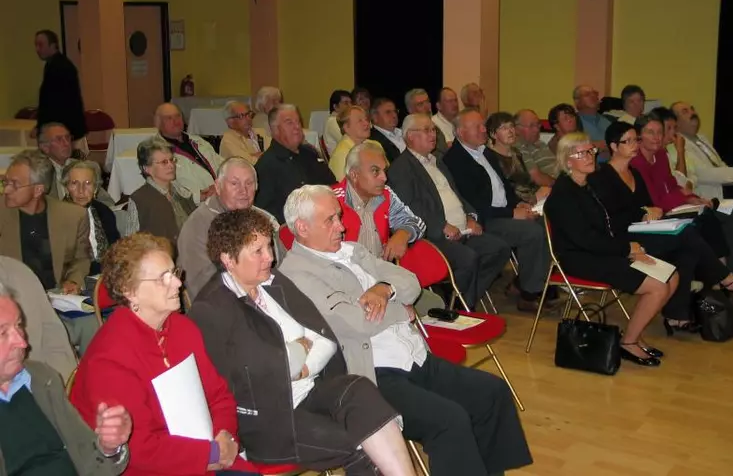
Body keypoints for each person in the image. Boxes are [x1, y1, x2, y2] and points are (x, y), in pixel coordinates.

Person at [279, 185, 533, 476]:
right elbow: (356, 323)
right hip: (373, 374)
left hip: (412, 355)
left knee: (492, 392)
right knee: (450, 420)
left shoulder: (353, 251)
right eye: (331, 220)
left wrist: (384, 289)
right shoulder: (296, 274)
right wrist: (403, 310)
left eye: (339, 216)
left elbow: (409, 282)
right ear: (302, 227)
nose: (342, 226)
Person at [191, 209, 417, 476]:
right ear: (228, 259)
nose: (270, 257)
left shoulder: (273, 283)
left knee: (359, 389)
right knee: (359, 443)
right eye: (258, 251)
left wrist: (301, 365)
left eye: (268, 246)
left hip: (309, 390)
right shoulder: (212, 309)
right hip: (269, 419)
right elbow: (246, 378)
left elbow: (324, 338)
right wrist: (299, 348)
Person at [70, 233, 259, 475]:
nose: (179, 284)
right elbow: (137, 449)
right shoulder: (109, 359)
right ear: (130, 291)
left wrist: (225, 438)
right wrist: (211, 453)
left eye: (174, 272)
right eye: (163, 278)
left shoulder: (182, 328)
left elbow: (219, 396)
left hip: (207, 456)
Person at [590, 122, 733, 331]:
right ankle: (727, 278)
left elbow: (647, 203)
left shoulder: (634, 173)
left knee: (686, 247)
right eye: (627, 141)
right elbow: (611, 216)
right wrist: (645, 212)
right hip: (623, 239)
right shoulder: (603, 176)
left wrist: (651, 210)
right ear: (614, 146)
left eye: (635, 139)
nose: (634, 145)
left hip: (643, 229)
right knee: (687, 235)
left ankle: (676, 316)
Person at [544, 133, 678, 366]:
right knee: (658, 287)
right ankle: (629, 343)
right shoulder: (563, 195)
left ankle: (634, 336)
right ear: (567, 161)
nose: (589, 157)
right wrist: (627, 249)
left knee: (672, 276)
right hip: (579, 258)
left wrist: (634, 233)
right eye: (582, 153)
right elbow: (585, 240)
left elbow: (610, 221)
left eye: (591, 151)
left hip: (602, 251)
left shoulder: (589, 184)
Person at [0, 284, 131, 474]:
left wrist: (110, 447)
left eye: (19, 325)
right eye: (3, 333)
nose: (22, 342)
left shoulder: (42, 379)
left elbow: (92, 462)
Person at [387, 113, 510, 310]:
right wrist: (441, 225)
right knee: (468, 259)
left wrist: (470, 216)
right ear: (410, 136)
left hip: (463, 229)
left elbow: (457, 195)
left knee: (499, 248)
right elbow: (409, 207)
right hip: (434, 236)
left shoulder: (438, 160)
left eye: (433, 129)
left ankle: (459, 302)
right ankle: (462, 307)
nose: (433, 134)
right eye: (426, 130)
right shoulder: (400, 168)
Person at [444, 110, 552, 312]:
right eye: (477, 126)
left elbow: (504, 186)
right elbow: (474, 203)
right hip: (485, 219)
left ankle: (526, 284)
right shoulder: (455, 160)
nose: (484, 129)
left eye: (483, 125)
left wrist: (518, 204)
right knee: (532, 233)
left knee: (542, 222)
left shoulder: (485, 152)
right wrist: (511, 213)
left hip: (503, 211)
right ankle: (530, 293)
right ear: (460, 132)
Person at [0, 149, 96, 353]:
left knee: (94, 326)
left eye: (14, 184)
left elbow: (81, 258)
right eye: (5, 182)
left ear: (37, 190)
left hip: (56, 299)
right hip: (12, 304)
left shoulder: (72, 216)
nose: (6, 189)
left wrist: (73, 281)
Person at [332, 141, 444, 312]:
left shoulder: (385, 195)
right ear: (354, 175)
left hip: (381, 277)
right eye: (375, 171)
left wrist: (403, 234)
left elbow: (417, 222)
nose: (384, 177)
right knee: (403, 312)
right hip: (346, 285)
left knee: (433, 305)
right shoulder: (332, 202)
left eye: (384, 171)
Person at [634, 113, 733, 279]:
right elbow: (653, 198)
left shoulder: (660, 155)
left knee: (722, 216)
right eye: (650, 132)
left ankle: (729, 277)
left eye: (659, 132)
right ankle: (723, 279)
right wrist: (684, 198)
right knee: (706, 219)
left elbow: (672, 184)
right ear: (639, 136)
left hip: (673, 205)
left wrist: (691, 198)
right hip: (653, 213)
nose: (657, 137)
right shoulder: (637, 162)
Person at [177, 157, 282, 299]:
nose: (243, 191)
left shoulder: (263, 218)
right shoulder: (199, 225)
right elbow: (203, 287)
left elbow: (284, 263)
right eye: (234, 183)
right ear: (218, 187)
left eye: (249, 183)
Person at [254, 105, 336, 223]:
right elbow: (264, 214)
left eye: (298, 122)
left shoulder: (310, 154)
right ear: (275, 130)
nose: (297, 127)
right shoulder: (267, 165)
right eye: (289, 123)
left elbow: (332, 185)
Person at [0, 258, 77, 381]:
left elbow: (54, 339)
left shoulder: (19, 273)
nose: (22, 343)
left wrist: (59, 385)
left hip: (40, 384)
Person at [126, 138, 197, 248]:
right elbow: (131, 243)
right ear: (147, 168)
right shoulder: (139, 199)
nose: (171, 165)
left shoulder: (182, 193)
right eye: (164, 162)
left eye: (172, 160)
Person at [671, 101, 733, 199]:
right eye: (685, 111)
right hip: (709, 195)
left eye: (692, 109)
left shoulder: (701, 138)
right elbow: (699, 173)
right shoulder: (676, 143)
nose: (693, 113)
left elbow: (719, 164)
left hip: (727, 187)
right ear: (675, 122)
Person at [154, 103, 223, 203]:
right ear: (158, 123)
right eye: (169, 118)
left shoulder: (197, 140)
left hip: (221, 196)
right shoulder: (157, 152)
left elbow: (221, 162)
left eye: (178, 116)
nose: (175, 121)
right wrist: (201, 195)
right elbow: (169, 189)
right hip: (194, 207)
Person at [62, 160, 121, 275]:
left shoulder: (104, 212)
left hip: (107, 277)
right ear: (66, 188)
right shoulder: (57, 217)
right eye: (74, 183)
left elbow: (116, 251)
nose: (81, 190)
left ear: (95, 188)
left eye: (88, 183)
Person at [34, 29, 88, 154]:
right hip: (64, 128)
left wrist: (42, 127)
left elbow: (55, 103)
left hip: (66, 130)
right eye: (36, 45)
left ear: (53, 45)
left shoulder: (61, 67)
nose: (37, 49)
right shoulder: (53, 65)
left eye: (40, 45)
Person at [38, 122, 116, 206]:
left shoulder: (81, 167)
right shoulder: (39, 172)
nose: (65, 143)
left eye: (67, 138)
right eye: (59, 139)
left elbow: (108, 203)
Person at [486, 112, 550, 204]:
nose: (510, 131)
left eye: (511, 126)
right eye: (504, 128)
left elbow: (527, 180)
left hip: (530, 198)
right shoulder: (491, 158)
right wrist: (533, 198)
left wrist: (541, 190)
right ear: (493, 134)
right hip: (516, 204)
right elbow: (507, 189)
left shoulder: (516, 153)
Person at [328, 105, 376, 181]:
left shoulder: (375, 145)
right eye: (360, 121)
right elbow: (345, 187)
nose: (366, 123)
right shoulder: (342, 154)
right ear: (346, 127)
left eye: (366, 119)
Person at [513, 109, 557, 186]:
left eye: (538, 124)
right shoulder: (518, 147)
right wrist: (561, 184)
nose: (537, 129)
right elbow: (536, 178)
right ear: (516, 129)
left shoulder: (540, 143)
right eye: (531, 126)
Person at [573, 84, 612, 161]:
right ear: (577, 102)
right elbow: (570, 149)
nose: (593, 96)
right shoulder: (573, 122)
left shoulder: (608, 122)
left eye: (594, 93)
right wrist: (594, 146)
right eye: (587, 94)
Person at [404, 88, 448, 156]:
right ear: (410, 110)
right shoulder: (408, 132)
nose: (427, 107)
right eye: (420, 104)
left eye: (427, 101)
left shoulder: (436, 128)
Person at [369, 97, 405, 164]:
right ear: (375, 117)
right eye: (388, 112)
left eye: (395, 111)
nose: (394, 115)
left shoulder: (404, 131)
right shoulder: (373, 140)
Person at [323, 89, 352, 155]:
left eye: (351, 102)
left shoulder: (342, 120)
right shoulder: (332, 121)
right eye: (346, 103)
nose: (350, 106)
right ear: (335, 106)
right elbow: (348, 141)